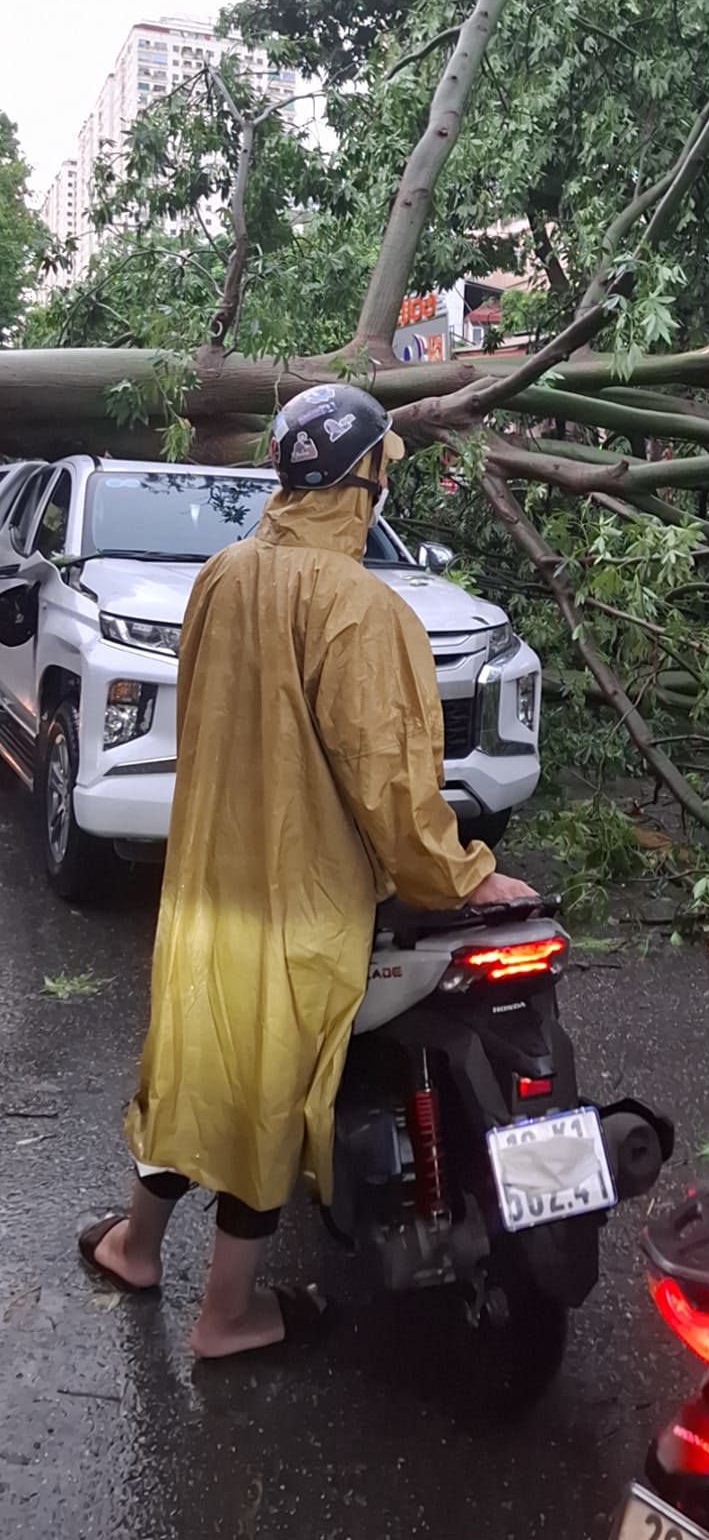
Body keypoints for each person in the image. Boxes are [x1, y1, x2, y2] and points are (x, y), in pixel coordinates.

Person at [79, 383, 535, 1358]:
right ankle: (229, 1313)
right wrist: (459, 877)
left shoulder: (223, 573)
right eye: (379, 471)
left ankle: (133, 1244)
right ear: (361, 477)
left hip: (205, 884)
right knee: (272, 1094)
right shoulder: (361, 608)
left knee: (195, 1065)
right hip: (300, 901)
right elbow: (393, 792)